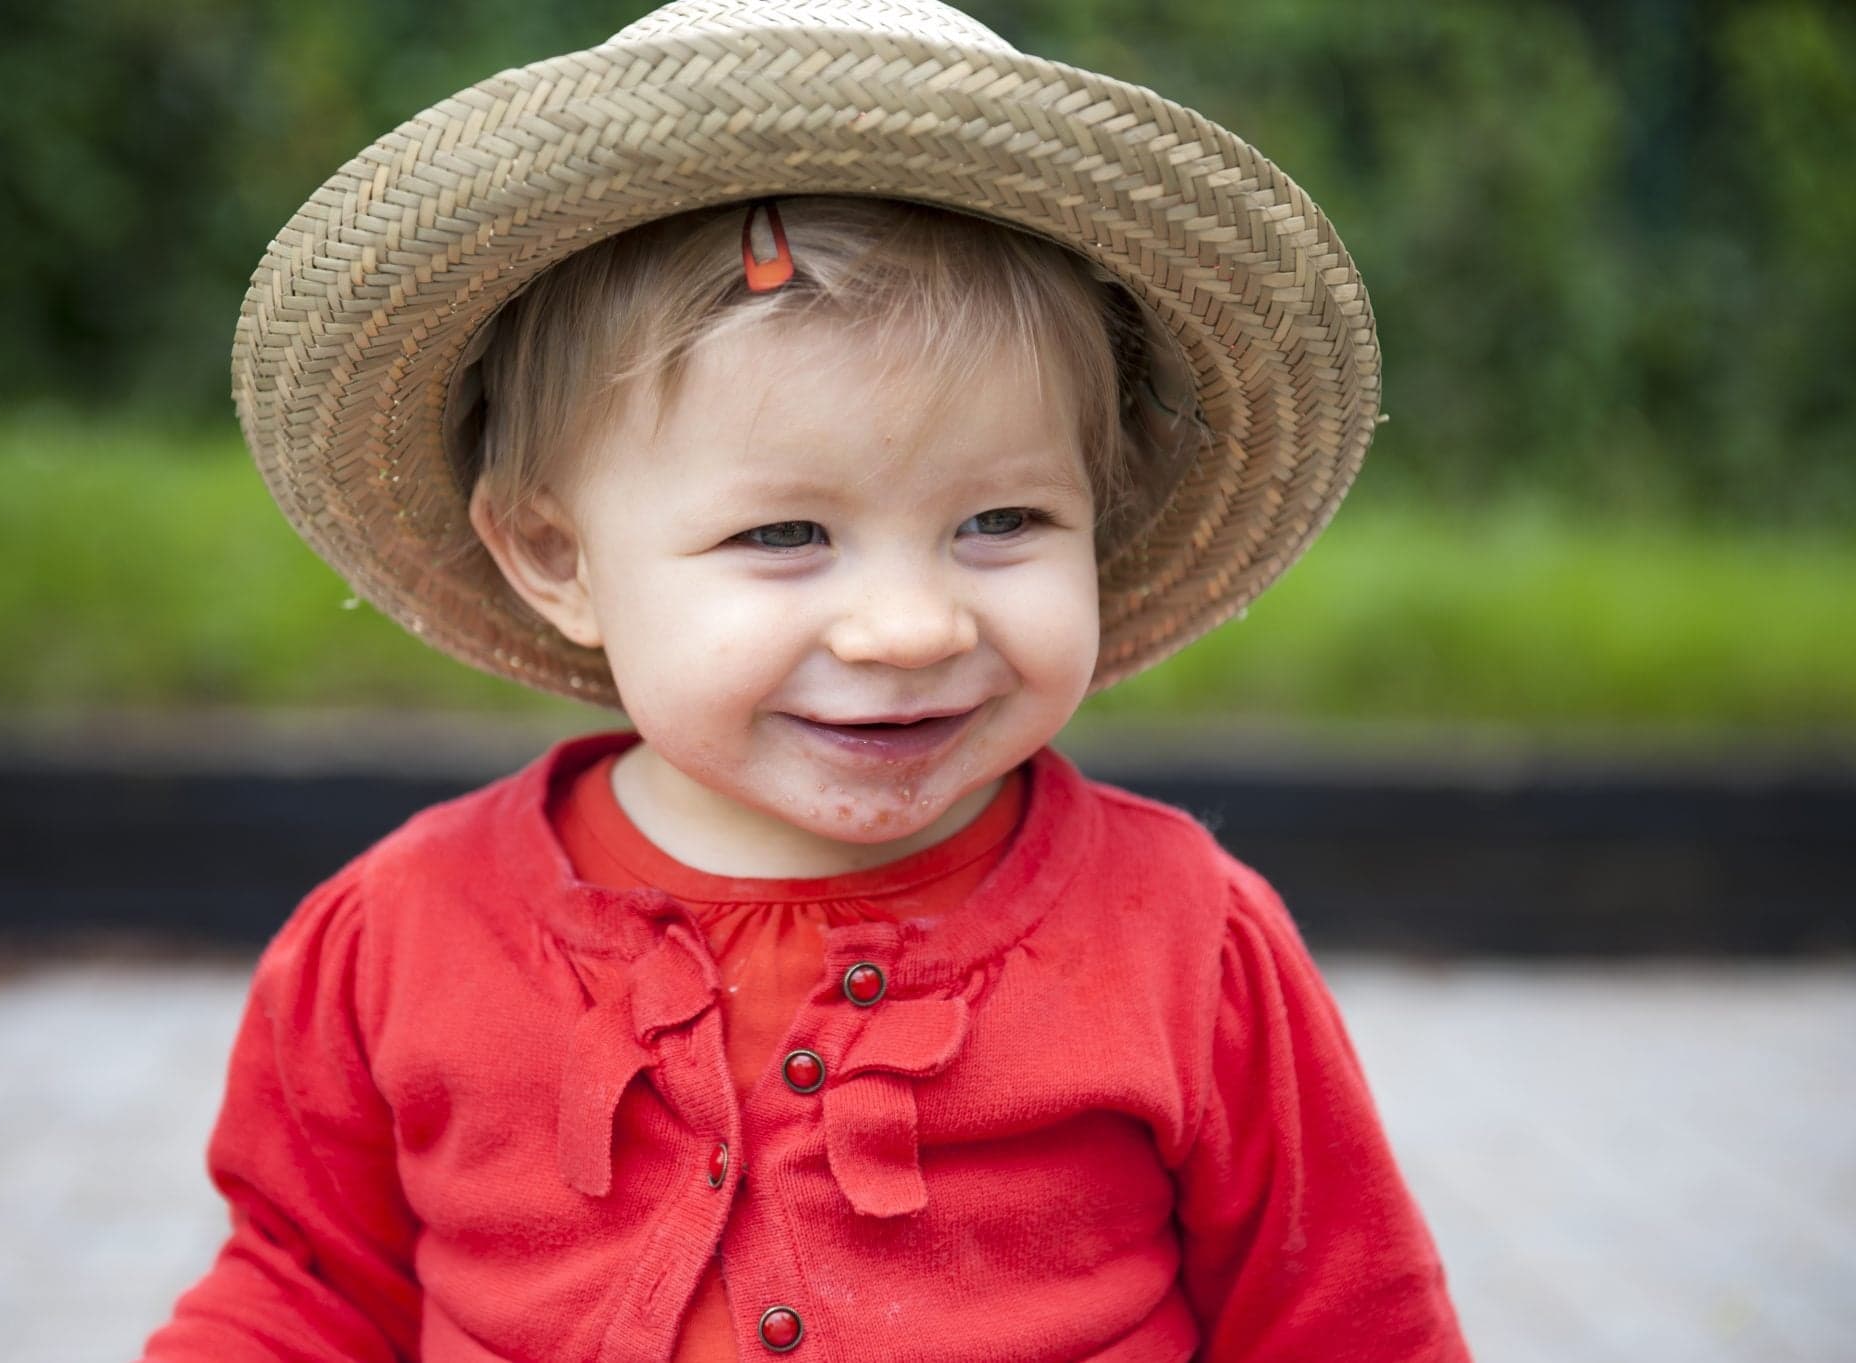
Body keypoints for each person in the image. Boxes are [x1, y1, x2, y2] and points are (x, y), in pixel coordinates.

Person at [141, 1, 1469, 1359]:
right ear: (556, 555)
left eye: (1001, 522)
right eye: (785, 535)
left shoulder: (1189, 945)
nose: (907, 628)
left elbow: (1349, 1322)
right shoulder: (397, 940)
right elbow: (300, 1292)